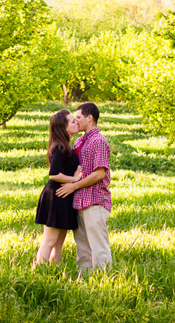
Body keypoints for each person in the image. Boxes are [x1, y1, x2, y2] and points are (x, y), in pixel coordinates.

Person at [56, 101, 111, 274]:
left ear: (90, 118)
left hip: (94, 200)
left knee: (98, 247)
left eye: (78, 117)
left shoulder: (99, 141)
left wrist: (74, 186)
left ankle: (105, 282)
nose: (76, 121)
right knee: (83, 249)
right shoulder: (79, 141)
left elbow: (99, 173)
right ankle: (85, 282)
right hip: (79, 201)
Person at [33, 109, 82, 266]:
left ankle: (55, 272)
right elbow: (53, 174)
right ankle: (36, 273)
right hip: (56, 195)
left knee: (59, 242)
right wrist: (74, 179)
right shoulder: (60, 147)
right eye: (73, 121)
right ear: (65, 127)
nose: (76, 123)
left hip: (64, 196)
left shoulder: (66, 145)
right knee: (49, 241)